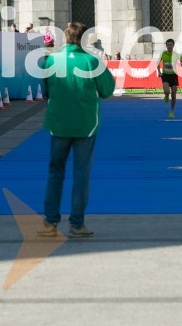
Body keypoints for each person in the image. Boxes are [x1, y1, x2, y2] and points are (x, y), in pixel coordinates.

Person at [37, 22, 115, 238]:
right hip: (85, 125)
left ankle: (50, 222)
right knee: (81, 174)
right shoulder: (91, 61)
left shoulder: (51, 60)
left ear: (65, 39)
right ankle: (77, 223)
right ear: (83, 40)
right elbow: (107, 89)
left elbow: (46, 91)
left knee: (55, 172)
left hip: (58, 123)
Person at [157, 39, 182, 119]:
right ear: (166, 45)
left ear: (173, 45)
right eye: (168, 45)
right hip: (166, 75)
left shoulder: (177, 54)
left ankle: (171, 111)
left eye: (171, 45)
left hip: (174, 76)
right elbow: (157, 64)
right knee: (167, 92)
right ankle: (166, 96)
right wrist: (159, 72)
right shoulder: (163, 54)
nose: (169, 46)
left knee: (174, 95)